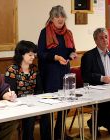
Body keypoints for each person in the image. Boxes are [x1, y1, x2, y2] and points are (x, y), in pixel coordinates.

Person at [37, 5, 77, 140]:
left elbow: (72, 50)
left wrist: (72, 54)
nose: (60, 19)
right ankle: (47, 136)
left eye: (62, 16)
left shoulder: (68, 33)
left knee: (65, 104)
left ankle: (60, 134)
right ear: (51, 18)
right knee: (50, 106)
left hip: (65, 73)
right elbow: (41, 54)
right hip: (49, 74)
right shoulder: (45, 32)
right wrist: (56, 58)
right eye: (56, 16)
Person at [4, 40, 43, 140]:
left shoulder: (34, 69)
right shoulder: (12, 70)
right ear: (21, 54)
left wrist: (36, 100)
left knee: (47, 114)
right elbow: (11, 92)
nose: (33, 57)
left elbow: (39, 89)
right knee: (30, 116)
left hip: (33, 102)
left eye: (34, 54)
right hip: (17, 103)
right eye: (30, 55)